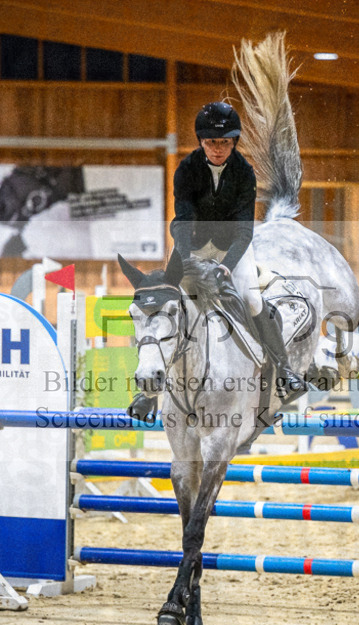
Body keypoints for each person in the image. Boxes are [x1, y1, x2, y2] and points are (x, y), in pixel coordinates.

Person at [128, 102, 306, 420]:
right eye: (211, 142)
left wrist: (226, 266)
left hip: (233, 249)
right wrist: (182, 261)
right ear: (201, 141)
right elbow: (182, 219)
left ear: (233, 142)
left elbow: (243, 230)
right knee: (169, 306)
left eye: (224, 142)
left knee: (251, 298)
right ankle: (148, 394)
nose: (218, 149)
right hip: (191, 248)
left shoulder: (244, 174)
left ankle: (284, 372)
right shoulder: (186, 170)